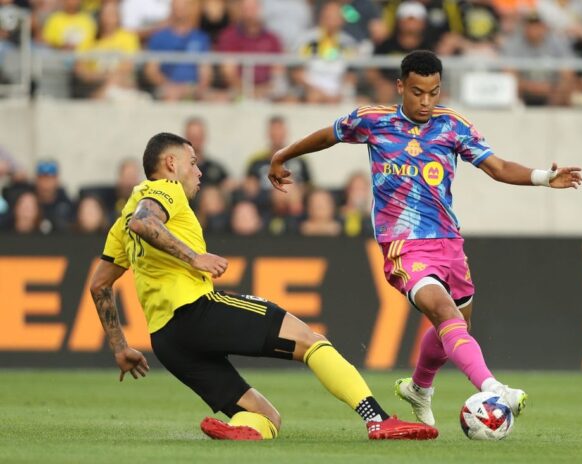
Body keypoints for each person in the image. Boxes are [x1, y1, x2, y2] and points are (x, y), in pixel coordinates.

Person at [268, 50, 582, 426]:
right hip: (403, 244)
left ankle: (419, 387)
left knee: (454, 324)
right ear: (401, 86)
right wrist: (283, 155)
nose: (426, 102)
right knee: (445, 312)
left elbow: (497, 167)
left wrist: (544, 178)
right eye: (417, 92)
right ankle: (493, 388)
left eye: (433, 93)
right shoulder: (373, 120)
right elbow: (328, 135)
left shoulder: (452, 126)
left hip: (448, 241)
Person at [89, 132, 437, 441]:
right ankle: (378, 420)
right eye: (192, 163)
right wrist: (195, 258)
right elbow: (144, 222)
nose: (198, 171)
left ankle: (240, 429)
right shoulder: (164, 189)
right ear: (170, 163)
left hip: (167, 341)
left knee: (267, 417)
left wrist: (120, 347)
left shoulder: (120, 223)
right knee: (311, 342)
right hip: (196, 311)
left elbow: (100, 284)